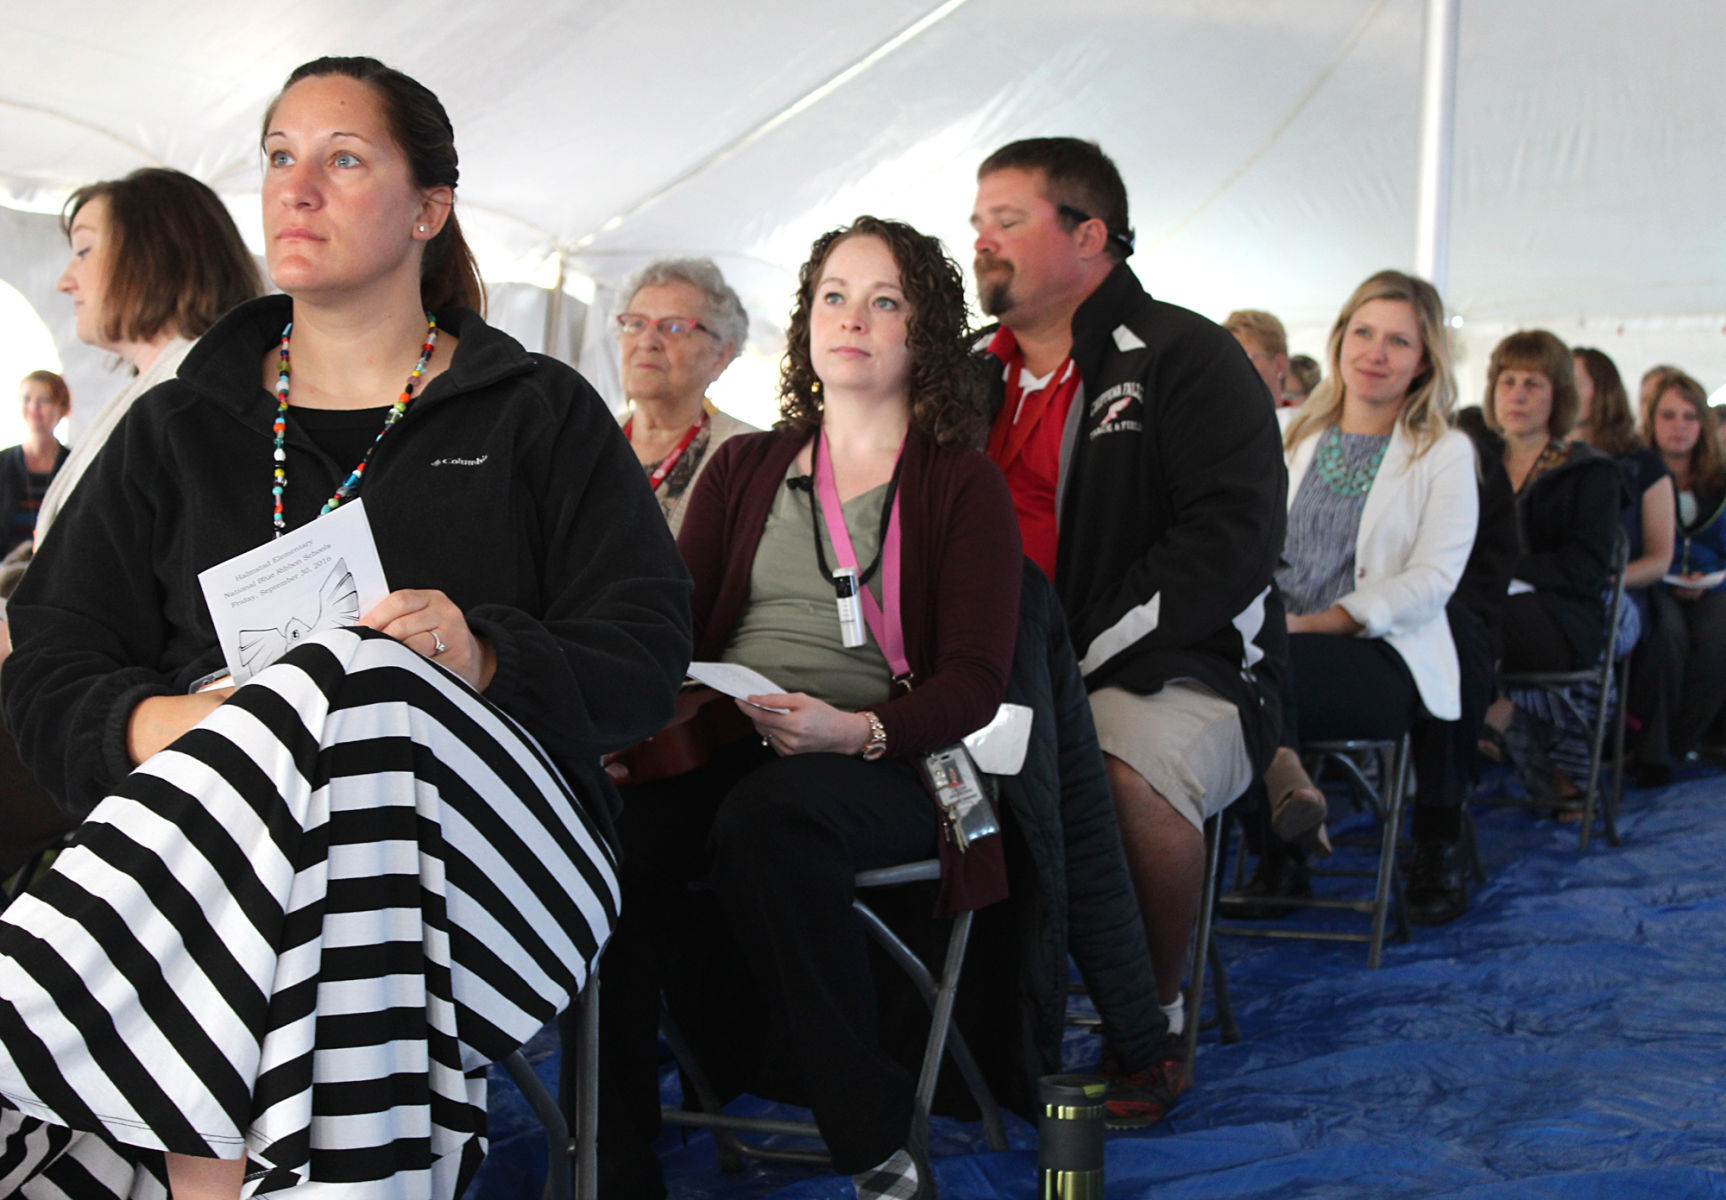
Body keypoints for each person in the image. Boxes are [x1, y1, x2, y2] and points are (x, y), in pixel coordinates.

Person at [0, 56, 689, 1200]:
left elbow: (644, 654)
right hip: (218, 870)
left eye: (343, 160)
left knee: (360, 689)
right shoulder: (176, 429)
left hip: (495, 871)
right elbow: (52, 667)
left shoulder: (536, 414)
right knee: (301, 781)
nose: (295, 189)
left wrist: (482, 654)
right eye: (278, 158)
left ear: (429, 209)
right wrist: (181, 726)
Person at [970, 137, 1285, 1126]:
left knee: (1120, 769)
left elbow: (1226, 543)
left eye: (1006, 220)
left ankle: (1148, 1020)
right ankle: (950, 1032)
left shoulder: (1187, 358)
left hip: (1170, 669)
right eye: (976, 220)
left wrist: (1065, 660)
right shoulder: (968, 377)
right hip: (989, 664)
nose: (979, 242)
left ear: (1089, 234)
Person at [1239, 271, 1477, 914]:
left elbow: (1433, 580)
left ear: (1425, 360)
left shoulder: (1444, 451)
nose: (1375, 353)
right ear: (1340, 339)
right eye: (1364, 333)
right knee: (1225, 671)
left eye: (1398, 342)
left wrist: (1327, 621)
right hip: (1268, 637)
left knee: (1259, 675)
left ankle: (1279, 854)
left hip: (1380, 650)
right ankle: (1283, 797)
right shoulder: (1286, 430)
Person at [42, 167, 264, 546]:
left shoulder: (193, 406)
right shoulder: (168, 392)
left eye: (84, 251)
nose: (65, 281)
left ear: (153, 253)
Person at [1479, 331, 1622, 808]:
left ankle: (1487, 714)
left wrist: (1503, 571)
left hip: (1559, 620)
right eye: (1508, 381)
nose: (1517, 394)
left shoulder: (1590, 471)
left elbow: (1586, 567)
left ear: (1558, 394)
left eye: (1533, 384)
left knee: (1473, 613)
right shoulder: (1469, 461)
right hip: (1482, 607)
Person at [1571, 347, 1677, 781]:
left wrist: (1605, 581)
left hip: (1617, 595)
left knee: (1583, 627)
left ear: (1603, 391)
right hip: (1552, 593)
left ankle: (1575, 764)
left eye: (1573, 382)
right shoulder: (1542, 455)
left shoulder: (1641, 465)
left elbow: (1659, 558)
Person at [613, 257, 759, 533]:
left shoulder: (747, 456)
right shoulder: (589, 439)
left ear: (722, 354)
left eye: (675, 327)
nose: (647, 341)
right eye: (635, 323)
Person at [1636, 369, 1726, 771]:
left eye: (1690, 417)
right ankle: (1651, 752)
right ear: (1652, 422)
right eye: (1669, 416)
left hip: (1715, 585)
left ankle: (1680, 744)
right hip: (1654, 583)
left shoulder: (1720, 478)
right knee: (1666, 636)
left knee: (1717, 636)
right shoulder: (1633, 472)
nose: (1679, 427)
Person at [0, 373, 70, 556]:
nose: (33, 407)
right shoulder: (3, 463)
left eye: (44, 400)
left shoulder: (73, 464)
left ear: (62, 407)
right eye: (26, 399)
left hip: (56, 571)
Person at [1223, 308, 1289, 406]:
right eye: (1227, 360)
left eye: (1246, 359)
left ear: (1280, 365)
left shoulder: (1304, 419)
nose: (1234, 369)